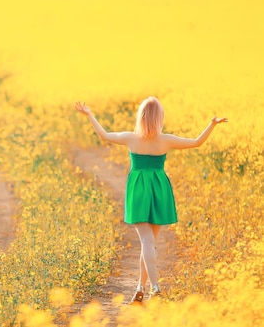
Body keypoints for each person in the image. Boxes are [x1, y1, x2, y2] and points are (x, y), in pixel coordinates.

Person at [74, 97, 227, 304]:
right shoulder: (165, 140)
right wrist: (212, 124)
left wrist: (90, 114)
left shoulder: (131, 138)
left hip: (138, 189)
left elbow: (104, 135)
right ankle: (146, 288)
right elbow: (196, 143)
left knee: (147, 242)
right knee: (149, 242)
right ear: (159, 118)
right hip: (159, 188)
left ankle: (149, 288)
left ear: (141, 117)